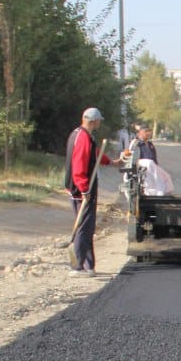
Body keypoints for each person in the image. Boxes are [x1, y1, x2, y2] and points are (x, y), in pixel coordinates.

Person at [64, 107, 116, 275]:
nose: (100, 123)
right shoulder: (82, 138)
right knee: (84, 226)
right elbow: (79, 165)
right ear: (93, 121)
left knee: (87, 225)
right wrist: (84, 189)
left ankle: (89, 265)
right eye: (99, 120)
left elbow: (94, 153)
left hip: (80, 187)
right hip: (81, 189)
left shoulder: (82, 135)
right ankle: (78, 265)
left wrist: (110, 162)